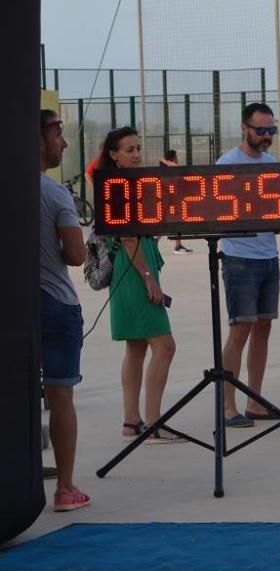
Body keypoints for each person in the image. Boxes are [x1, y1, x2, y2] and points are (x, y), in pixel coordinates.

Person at [96, 127, 183, 444]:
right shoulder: (118, 188)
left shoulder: (129, 184)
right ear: (114, 155)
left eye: (137, 148)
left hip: (132, 263)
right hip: (133, 266)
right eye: (128, 149)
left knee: (135, 345)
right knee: (164, 346)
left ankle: (132, 421)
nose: (135, 154)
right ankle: (154, 422)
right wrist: (148, 278)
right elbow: (129, 236)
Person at [218, 103, 280, 428]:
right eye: (261, 130)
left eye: (271, 130)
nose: (267, 136)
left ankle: (255, 401)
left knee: (264, 328)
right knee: (239, 330)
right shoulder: (227, 164)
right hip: (239, 257)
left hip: (269, 254)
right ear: (244, 128)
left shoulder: (272, 164)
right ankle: (228, 406)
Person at [39, 110, 89, 511]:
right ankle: (66, 487)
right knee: (60, 395)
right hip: (55, 304)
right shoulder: (55, 194)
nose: (64, 143)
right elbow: (75, 255)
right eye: (57, 134)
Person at [158, 150, 193, 254]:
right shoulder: (169, 168)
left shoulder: (167, 168)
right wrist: (165, 160)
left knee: (173, 221)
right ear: (173, 158)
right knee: (173, 221)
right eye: (176, 157)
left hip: (171, 199)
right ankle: (176, 246)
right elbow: (174, 165)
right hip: (169, 200)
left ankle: (178, 245)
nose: (178, 158)